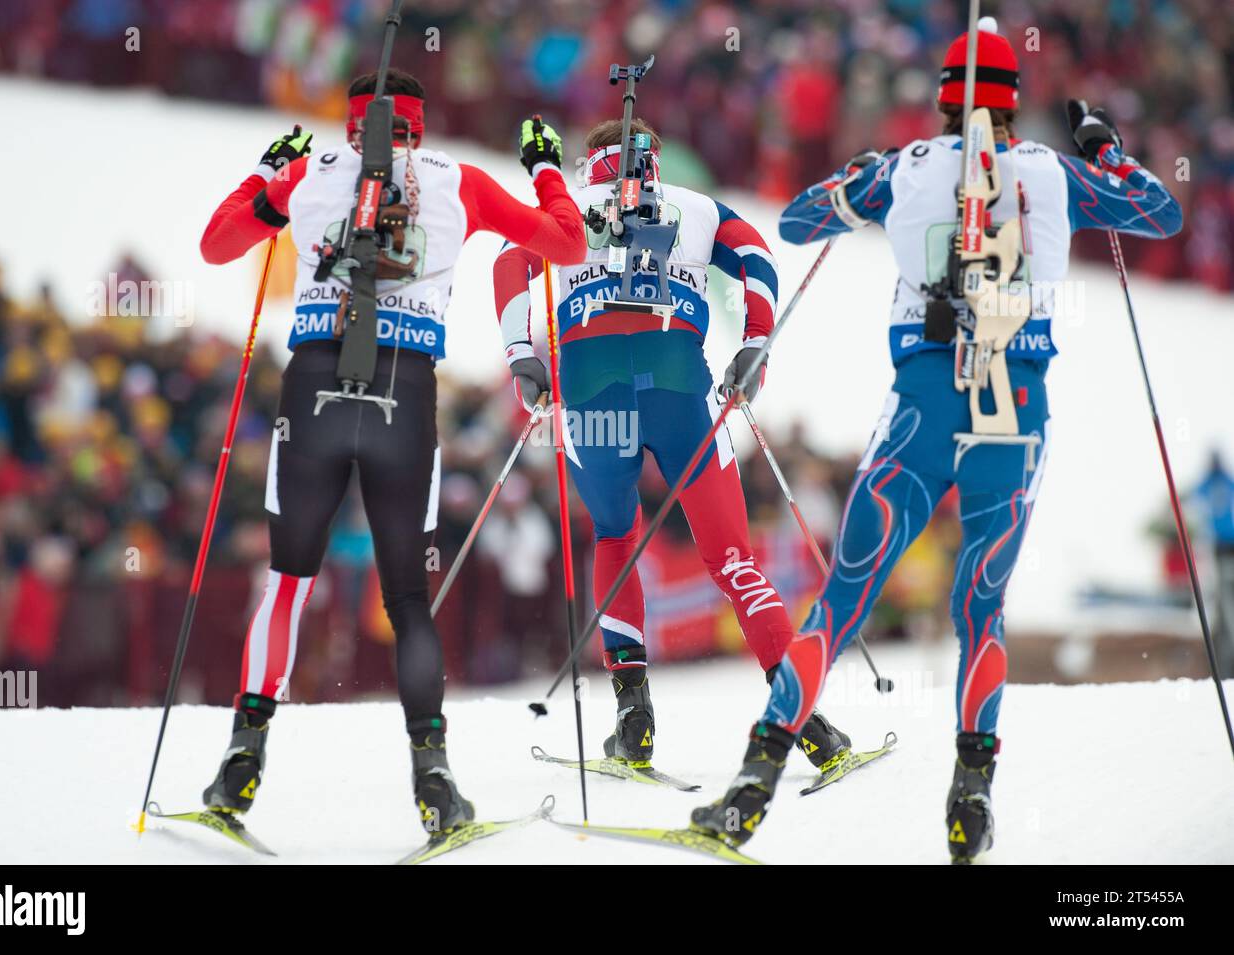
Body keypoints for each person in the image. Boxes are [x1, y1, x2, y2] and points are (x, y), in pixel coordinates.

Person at [691, 18, 1182, 862]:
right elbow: (1160, 211)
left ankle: (753, 782)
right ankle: (971, 797)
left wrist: (865, 179)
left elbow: (806, 220)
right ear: (1014, 104)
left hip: (922, 398)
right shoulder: (1056, 171)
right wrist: (1102, 145)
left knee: (845, 597)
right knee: (981, 608)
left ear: (945, 99)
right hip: (1017, 405)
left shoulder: (906, 166)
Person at [196, 69, 585, 835]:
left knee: (288, 581)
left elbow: (217, 245)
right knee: (408, 598)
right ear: (421, 123)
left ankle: (241, 762)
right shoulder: (458, 180)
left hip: (311, 386)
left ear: (348, 124)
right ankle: (434, 780)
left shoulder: (310, 174)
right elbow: (567, 242)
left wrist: (267, 170)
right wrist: (543, 166)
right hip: (404, 394)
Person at [493, 118, 854, 775]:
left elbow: (509, 261)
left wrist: (522, 357)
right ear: (654, 158)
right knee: (733, 558)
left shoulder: (566, 209)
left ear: (590, 162)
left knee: (613, 536)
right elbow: (757, 257)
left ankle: (634, 723)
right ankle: (809, 727)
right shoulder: (695, 205)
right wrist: (754, 342)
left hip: (593, 388)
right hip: (679, 386)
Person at [1192, 451, 1234, 679]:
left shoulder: (1224, 482)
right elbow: (1193, 499)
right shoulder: (1212, 483)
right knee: (1221, 598)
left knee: (1226, 600)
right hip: (1218, 546)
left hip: (1228, 544)